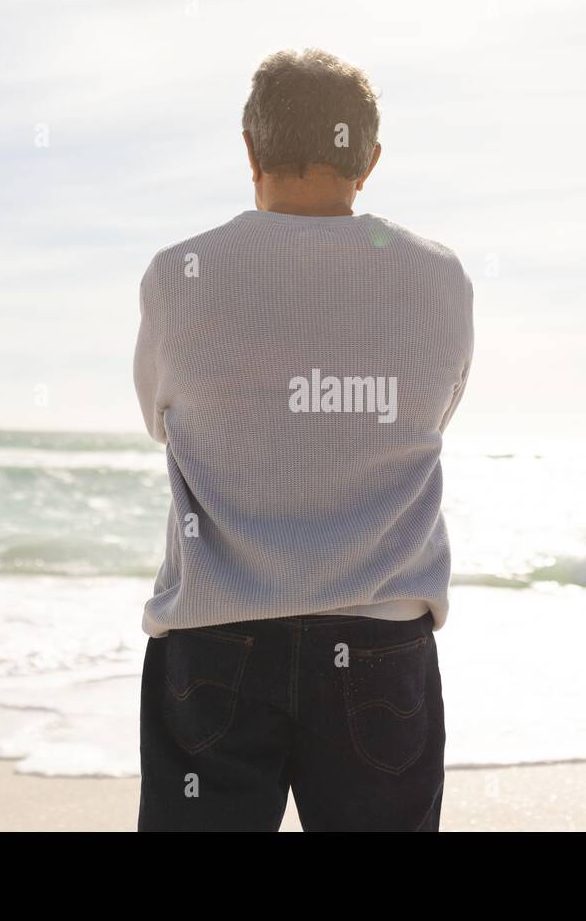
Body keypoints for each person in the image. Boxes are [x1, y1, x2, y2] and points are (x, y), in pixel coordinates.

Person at [133, 48, 474, 831]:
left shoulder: (178, 273)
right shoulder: (440, 278)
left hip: (217, 642)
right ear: (371, 160)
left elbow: (160, 416)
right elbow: (432, 414)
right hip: (379, 646)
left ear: (250, 148)